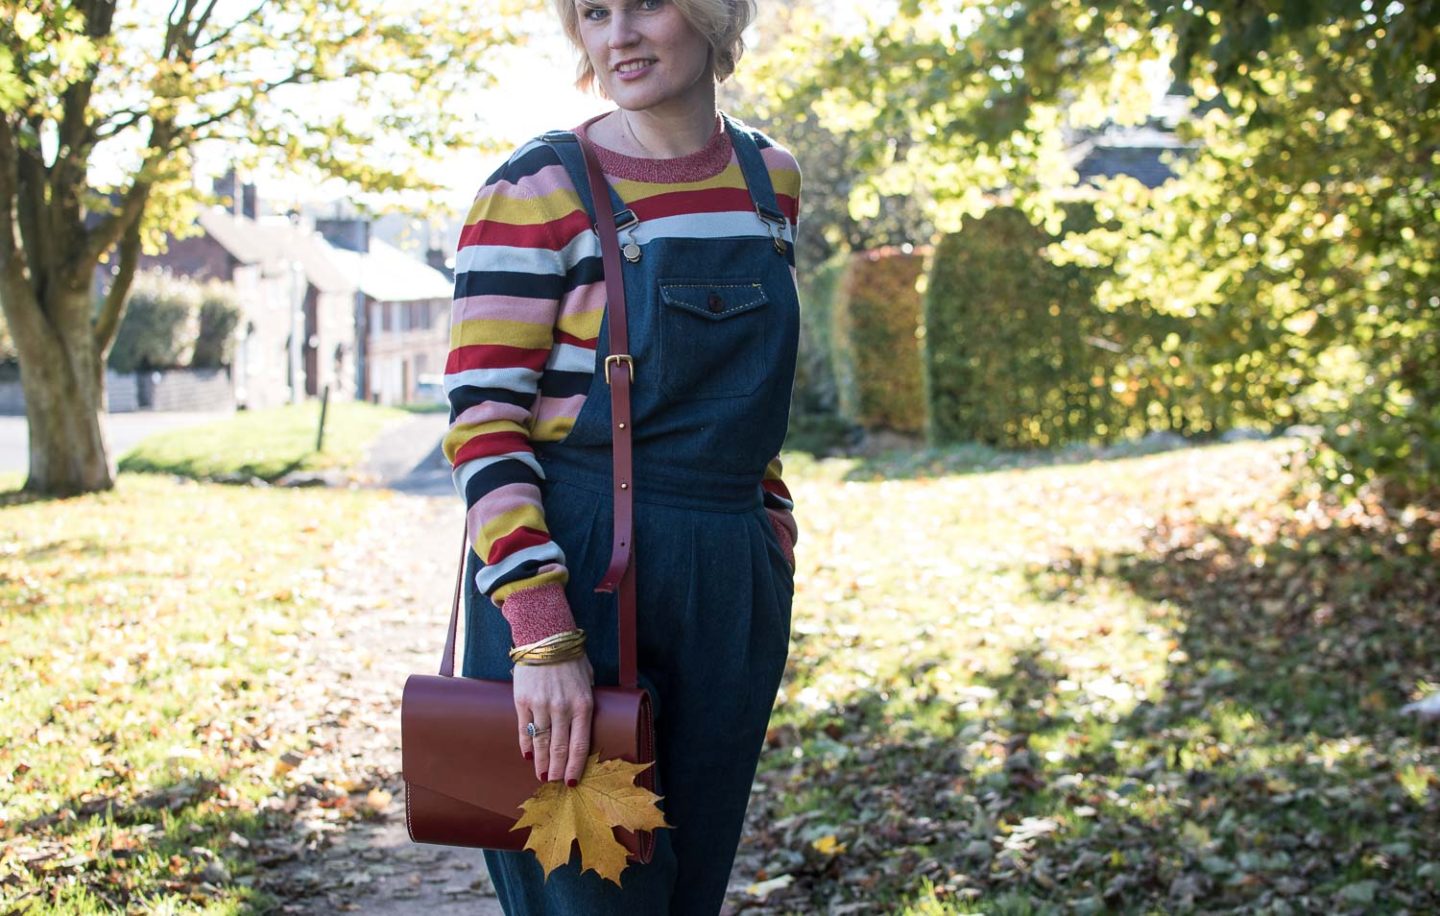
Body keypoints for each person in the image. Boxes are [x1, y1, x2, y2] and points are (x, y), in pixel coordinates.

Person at [442, 0, 800, 911]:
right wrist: (541, 632)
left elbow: (754, 391)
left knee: (688, 893)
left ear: (715, 14)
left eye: (646, 3)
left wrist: (771, 520)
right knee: (590, 896)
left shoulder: (771, 180)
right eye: (594, 12)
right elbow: (483, 419)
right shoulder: (538, 185)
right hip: (580, 577)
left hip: (729, 583)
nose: (619, 36)